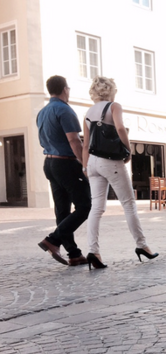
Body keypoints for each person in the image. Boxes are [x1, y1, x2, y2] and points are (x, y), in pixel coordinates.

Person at [82, 76, 158, 269]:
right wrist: (128, 150)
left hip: (92, 162)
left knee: (96, 207)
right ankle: (142, 246)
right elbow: (120, 128)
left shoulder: (88, 113)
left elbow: (85, 144)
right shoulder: (114, 106)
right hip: (110, 161)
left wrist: (85, 166)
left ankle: (93, 251)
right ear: (111, 90)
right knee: (128, 203)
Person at [36, 75, 91, 267]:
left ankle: (74, 254)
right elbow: (74, 141)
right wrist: (85, 165)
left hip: (50, 164)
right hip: (65, 163)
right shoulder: (64, 110)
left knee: (62, 210)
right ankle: (53, 239)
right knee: (85, 206)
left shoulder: (42, 112)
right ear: (65, 89)